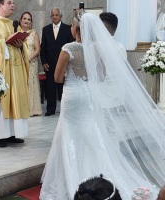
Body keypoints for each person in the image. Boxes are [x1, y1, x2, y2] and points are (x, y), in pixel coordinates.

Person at [39, 9, 165, 200]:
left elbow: (57, 77)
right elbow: (102, 75)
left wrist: (71, 77)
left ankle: (70, 178)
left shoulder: (68, 48)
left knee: (69, 134)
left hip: (72, 96)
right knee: (91, 135)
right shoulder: (97, 48)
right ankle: (97, 175)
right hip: (89, 94)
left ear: (75, 29)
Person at [0, 0, 30, 147]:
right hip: (1, 71)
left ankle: (14, 133)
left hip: (16, 70)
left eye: (13, 3)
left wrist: (22, 46)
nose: (13, 5)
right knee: (2, 101)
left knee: (16, 101)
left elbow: (24, 46)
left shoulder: (14, 25)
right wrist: (4, 42)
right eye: (9, 2)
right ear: (0, 5)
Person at [40, 7, 74, 116]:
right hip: (49, 64)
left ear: (61, 16)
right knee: (50, 87)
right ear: (50, 17)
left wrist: (68, 64)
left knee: (62, 88)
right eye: (52, 15)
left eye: (56, 15)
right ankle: (50, 110)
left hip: (63, 64)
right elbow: (43, 48)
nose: (54, 17)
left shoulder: (68, 28)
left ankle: (64, 110)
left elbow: (70, 47)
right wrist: (44, 61)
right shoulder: (46, 29)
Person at [19, 11, 42, 116]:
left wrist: (28, 58)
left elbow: (37, 49)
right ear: (20, 20)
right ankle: (21, 108)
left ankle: (33, 109)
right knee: (22, 83)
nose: (26, 21)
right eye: (25, 19)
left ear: (31, 22)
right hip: (19, 63)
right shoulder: (16, 32)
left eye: (29, 19)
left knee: (31, 84)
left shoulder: (34, 33)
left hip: (32, 62)